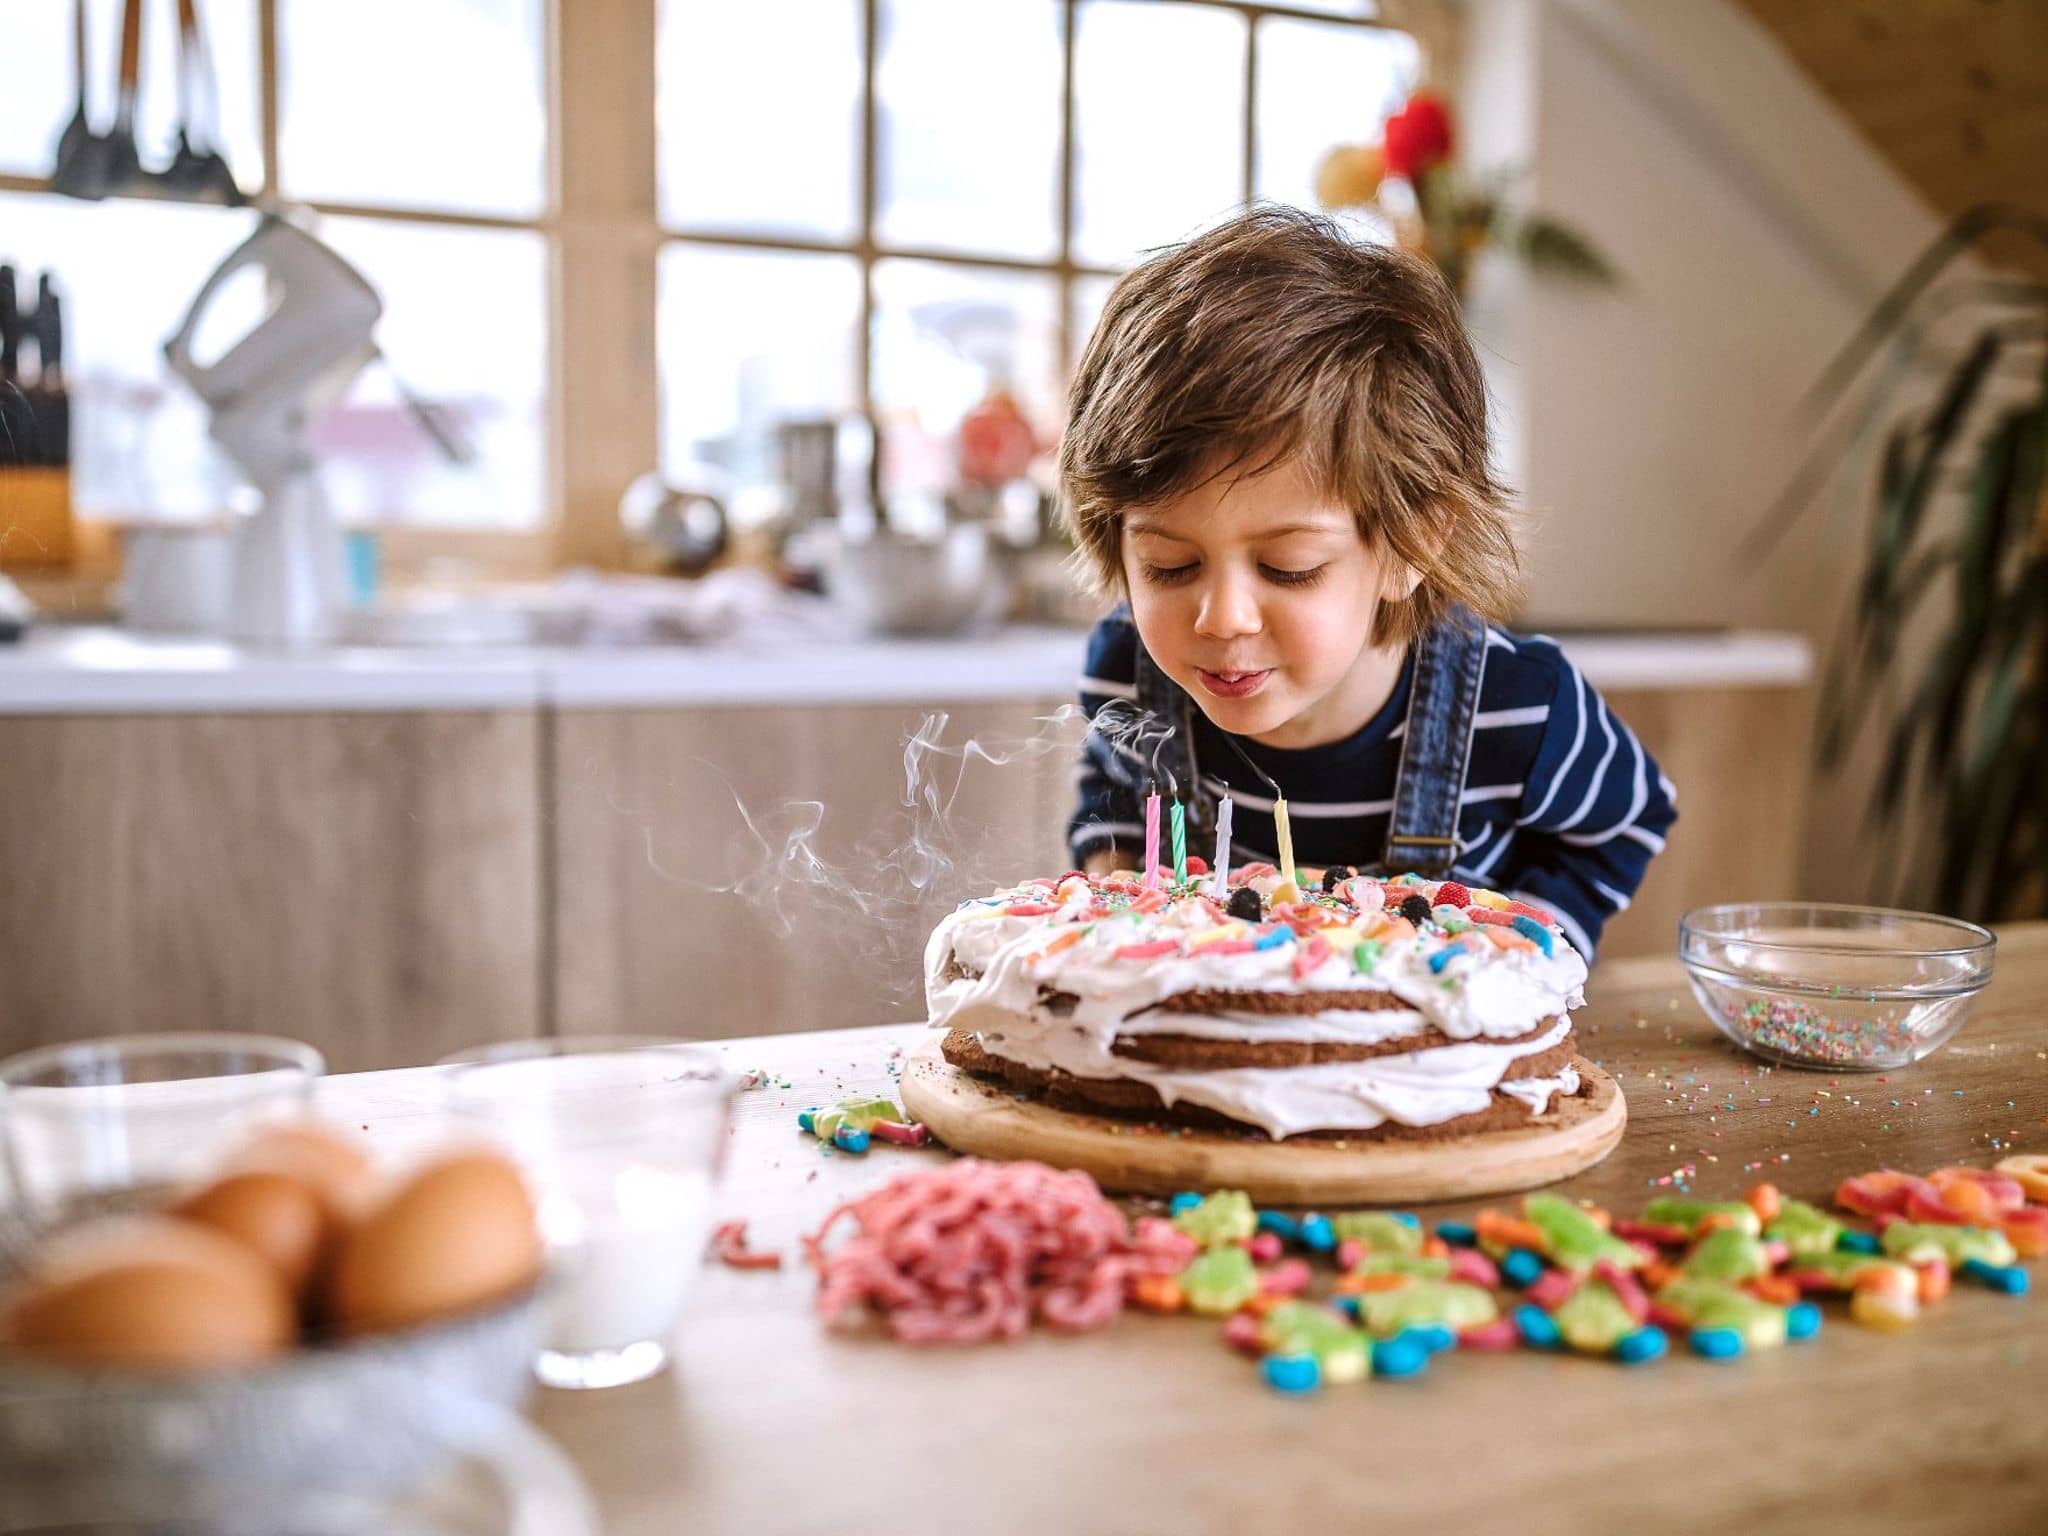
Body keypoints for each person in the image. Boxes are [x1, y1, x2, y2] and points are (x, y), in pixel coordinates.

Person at [1061, 207, 1674, 962]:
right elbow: (1112, 792)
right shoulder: (1127, 666)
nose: (1222, 618)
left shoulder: (1519, 707)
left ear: (1411, 539)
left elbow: (1627, 823)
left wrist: (1533, 940)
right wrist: (1114, 880)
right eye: (1169, 566)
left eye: (1290, 567)